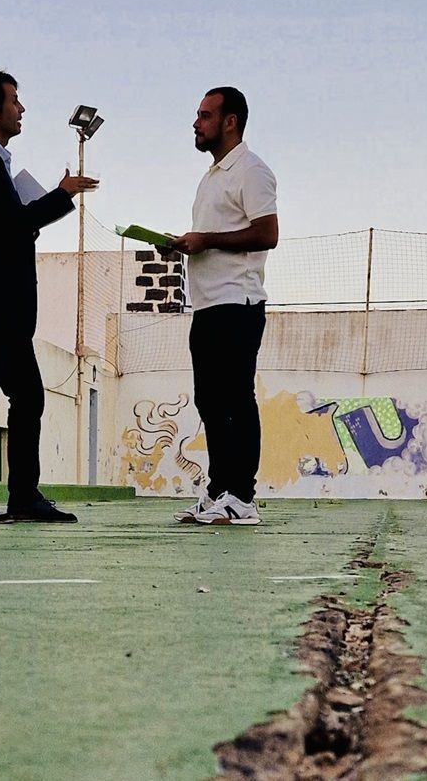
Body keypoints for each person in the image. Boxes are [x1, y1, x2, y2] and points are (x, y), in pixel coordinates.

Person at [0, 69, 98, 524]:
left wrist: (32, 213)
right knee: (0, 399)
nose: (21, 108)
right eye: (14, 100)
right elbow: (8, 227)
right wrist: (61, 195)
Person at [168, 86, 278, 526]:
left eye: (204, 115)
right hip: (208, 306)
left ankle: (243, 498)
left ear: (229, 121)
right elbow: (211, 238)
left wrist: (206, 240)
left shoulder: (251, 170)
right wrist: (184, 245)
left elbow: (267, 233)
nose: (196, 123)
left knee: (236, 399)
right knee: (210, 403)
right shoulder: (211, 176)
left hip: (239, 303)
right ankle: (219, 493)